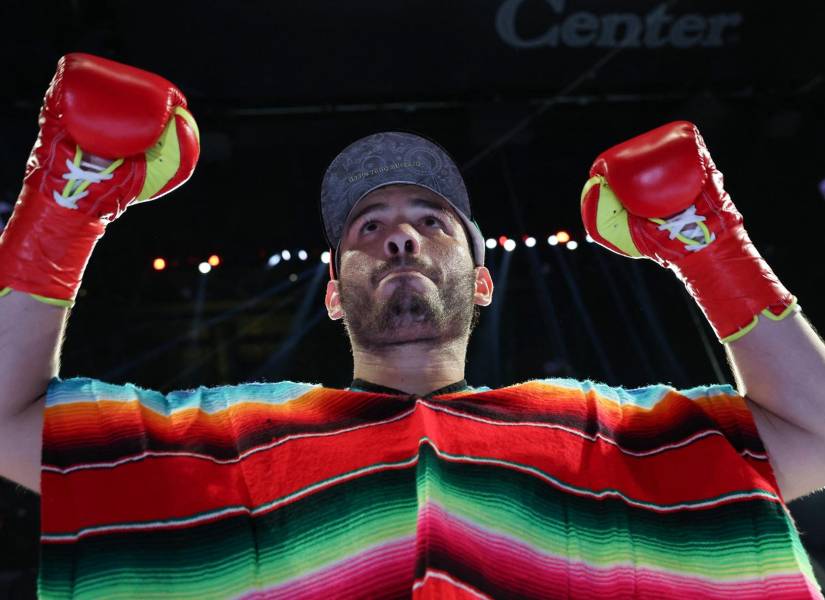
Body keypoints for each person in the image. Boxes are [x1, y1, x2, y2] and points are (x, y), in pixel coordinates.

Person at [0, 53, 823, 600]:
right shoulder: (228, 439)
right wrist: (58, 213)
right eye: (367, 228)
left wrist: (713, 248)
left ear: (483, 283)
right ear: (331, 295)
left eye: (433, 220)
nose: (399, 234)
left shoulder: (603, 433)